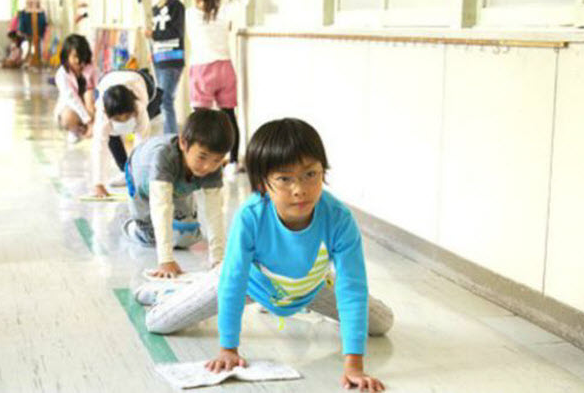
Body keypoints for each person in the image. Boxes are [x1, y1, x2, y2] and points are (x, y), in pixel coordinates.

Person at [135, 118, 393, 392]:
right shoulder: (251, 216)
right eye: (284, 178)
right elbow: (233, 282)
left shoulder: (339, 218)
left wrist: (354, 365)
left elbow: (352, 286)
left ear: (323, 170)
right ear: (262, 184)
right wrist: (228, 348)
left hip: (309, 284)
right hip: (251, 282)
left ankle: (193, 286)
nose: (300, 189)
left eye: (310, 174)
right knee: (158, 323)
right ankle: (167, 291)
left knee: (382, 322)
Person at [122, 109, 233, 278]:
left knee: (188, 237)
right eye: (202, 157)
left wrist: (219, 259)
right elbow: (161, 207)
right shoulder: (163, 157)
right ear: (183, 143)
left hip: (178, 187)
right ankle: (132, 226)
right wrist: (165, 260)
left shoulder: (211, 167)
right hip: (141, 181)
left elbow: (215, 212)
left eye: (217, 160)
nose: (207, 167)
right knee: (150, 235)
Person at [186, 0, 250, 179]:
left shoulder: (189, 14)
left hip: (202, 71)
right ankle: (232, 161)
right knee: (229, 116)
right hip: (225, 68)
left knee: (200, 121)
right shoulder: (225, 11)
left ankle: (201, 160)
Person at [91, 69, 161, 197]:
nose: (123, 121)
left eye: (127, 117)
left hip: (142, 82)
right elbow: (99, 146)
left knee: (141, 137)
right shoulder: (102, 111)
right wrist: (98, 183)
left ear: (133, 110)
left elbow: (141, 144)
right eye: (117, 119)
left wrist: (138, 180)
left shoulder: (139, 107)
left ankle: (130, 172)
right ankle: (125, 170)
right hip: (107, 79)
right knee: (110, 133)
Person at [144, 0, 184, 135]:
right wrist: (152, 51)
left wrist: (153, 34)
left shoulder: (176, 6)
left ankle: (171, 139)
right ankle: (169, 136)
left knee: (166, 100)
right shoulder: (154, 7)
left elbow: (176, 32)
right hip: (159, 59)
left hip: (172, 59)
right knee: (162, 100)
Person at [53, 34, 100, 143]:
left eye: (81, 56)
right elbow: (72, 99)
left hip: (91, 107)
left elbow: (99, 90)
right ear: (66, 55)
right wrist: (88, 121)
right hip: (73, 109)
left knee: (89, 94)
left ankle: (94, 128)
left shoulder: (92, 69)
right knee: (67, 118)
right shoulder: (61, 75)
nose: (78, 61)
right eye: (74, 56)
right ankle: (76, 131)